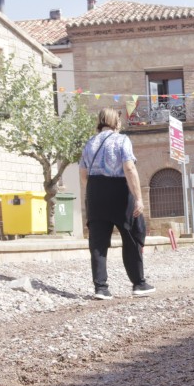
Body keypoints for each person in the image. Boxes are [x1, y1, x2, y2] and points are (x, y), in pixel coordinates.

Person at [80, 107, 155, 299]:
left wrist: (94, 191)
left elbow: (83, 173)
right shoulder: (122, 140)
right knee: (133, 235)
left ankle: (101, 288)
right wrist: (138, 198)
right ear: (116, 122)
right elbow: (129, 168)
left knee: (97, 242)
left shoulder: (89, 142)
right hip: (119, 191)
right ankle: (138, 283)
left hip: (95, 192)